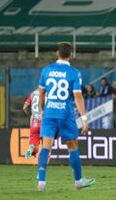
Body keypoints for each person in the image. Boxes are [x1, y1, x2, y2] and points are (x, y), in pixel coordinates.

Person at [37, 42, 94, 191]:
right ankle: (78, 181)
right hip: (65, 113)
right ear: (70, 55)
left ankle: (41, 183)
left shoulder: (46, 71)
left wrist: (43, 109)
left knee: (45, 148)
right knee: (72, 147)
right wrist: (84, 118)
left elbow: (41, 93)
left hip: (49, 112)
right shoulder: (74, 73)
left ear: (57, 53)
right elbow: (77, 96)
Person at [23, 88, 42, 159]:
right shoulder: (48, 94)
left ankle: (32, 149)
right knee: (46, 147)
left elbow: (25, 107)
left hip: (34, 122)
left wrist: (31, 114)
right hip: (44, 122)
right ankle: (43, 166)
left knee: (35, 148)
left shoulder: (33, 93)